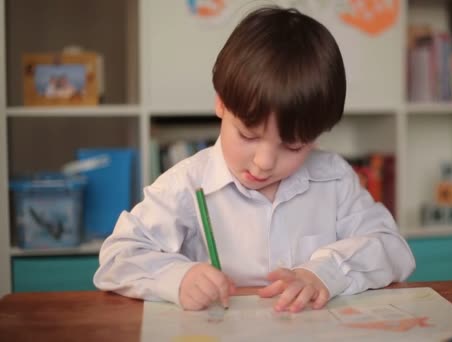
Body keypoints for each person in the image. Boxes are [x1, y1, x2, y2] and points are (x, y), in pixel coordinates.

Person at [94, 6, 415, 313]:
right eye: (248, 136)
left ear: (315, 137)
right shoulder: (187, 184)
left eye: (292, 146)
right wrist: (178, 278)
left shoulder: (333, 178)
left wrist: (325, 273)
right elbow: (118, 256)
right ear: (221, 104)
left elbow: (392, 248)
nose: (263, 162)